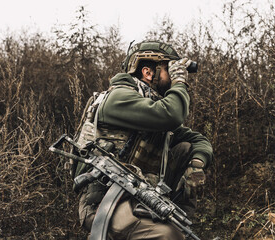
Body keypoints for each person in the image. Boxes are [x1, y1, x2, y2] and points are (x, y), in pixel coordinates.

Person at [73, 40, 213, 239]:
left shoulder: (151, 108)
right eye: (169, 70)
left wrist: (197, 164)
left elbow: (197, 140)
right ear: (148, 72)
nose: (173, 76)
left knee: (185, 148)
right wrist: (180, 82)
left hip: (140, 197)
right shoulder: (117, 98)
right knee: (167, 236)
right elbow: (172, 115)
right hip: (104, 204)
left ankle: (178, 228)